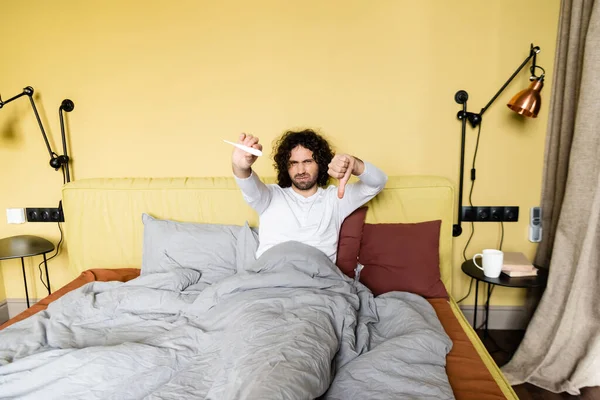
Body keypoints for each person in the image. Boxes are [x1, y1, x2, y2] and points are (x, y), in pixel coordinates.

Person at [232, 129, 387, 262]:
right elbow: (246, 182)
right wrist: (239, 166)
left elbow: (378, 182)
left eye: (307, 161)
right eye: (293, 163)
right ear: (285, 166)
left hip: (317, 281)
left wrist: (355, 164)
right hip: (271, 277)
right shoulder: (269, 196)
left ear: (320, 162)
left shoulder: (335, 198)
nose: (300, 170)